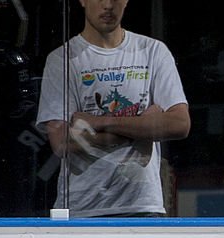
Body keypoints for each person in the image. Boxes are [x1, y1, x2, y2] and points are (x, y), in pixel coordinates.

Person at [37, 0, 190, 217]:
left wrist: (100, 122)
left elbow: (180, 124)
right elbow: (62, 141)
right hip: (82, 208)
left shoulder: (153, 51)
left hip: (142, 206)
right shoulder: (62, 60)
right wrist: (142, 128)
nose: (108, 5)